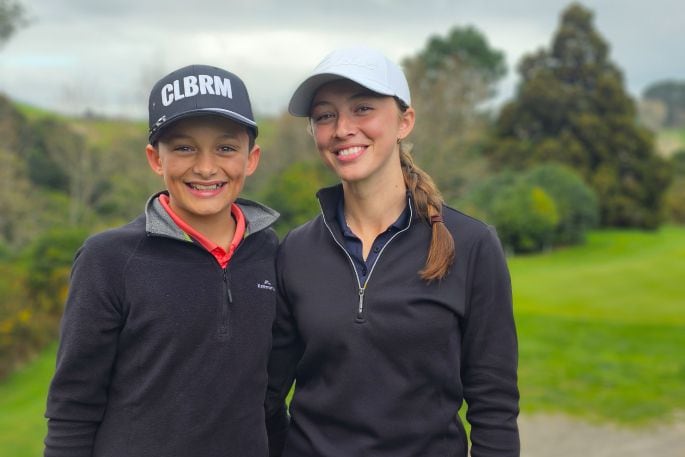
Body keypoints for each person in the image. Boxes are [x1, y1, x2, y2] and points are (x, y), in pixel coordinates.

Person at [265, 46, 520, 457]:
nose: (342, 128)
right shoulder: (295, 250)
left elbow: (495, 407)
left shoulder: (472, 245)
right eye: (325, 116)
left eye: (362, 108)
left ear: (405, 121)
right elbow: (267, 396)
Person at [44, 64, 279, 457]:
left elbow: (270, 398)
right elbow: (73, 408)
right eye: (184, 147)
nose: (206, 167)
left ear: (251, 158)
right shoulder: (109, 259)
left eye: (226, 148)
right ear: (156, 158)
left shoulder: (270, 252)